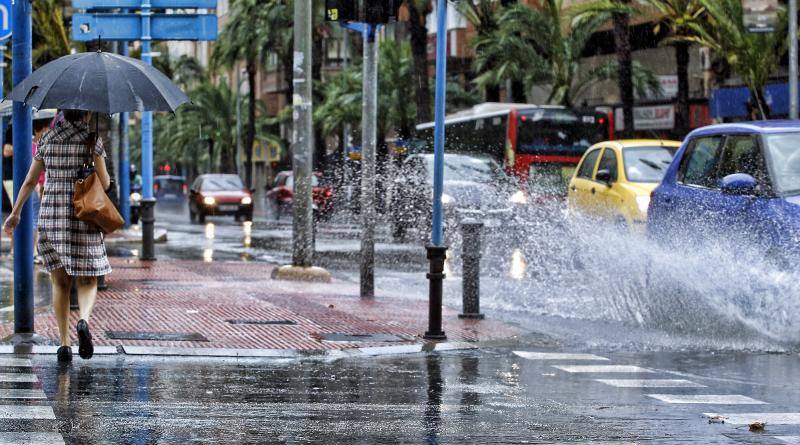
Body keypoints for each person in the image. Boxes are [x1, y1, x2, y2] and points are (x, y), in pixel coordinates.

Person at [3, 110, 111, 363]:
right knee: (88, 279)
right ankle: (83, 320)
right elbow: (105, 183)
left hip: (52, 216)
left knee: (59, 282)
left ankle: (64, 344)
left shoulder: (47, 139)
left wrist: (16, 213)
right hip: (83, 214)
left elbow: (30, 181)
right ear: (85, 114)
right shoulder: (91, 141)